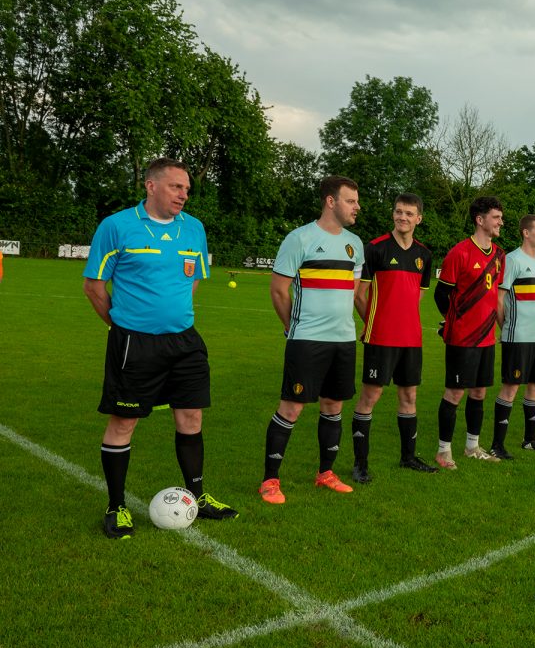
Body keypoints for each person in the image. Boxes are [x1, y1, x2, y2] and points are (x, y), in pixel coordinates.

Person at [83, 157, 238, 538]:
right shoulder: (117, 226)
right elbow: (94, 287)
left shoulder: (194, 229)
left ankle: (198, 497)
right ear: (151, 186)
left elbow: (193, 280)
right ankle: (116, 506)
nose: (184, 194)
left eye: (186, 188)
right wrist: (124, 325)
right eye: (176, 187)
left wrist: (171, 316)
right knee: (124, 422)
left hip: (185, 341)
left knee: (191, 419)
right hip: (134, 343)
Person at [259, 176, 365, 504]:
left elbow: (355, 292)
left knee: (334, 406)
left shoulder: (355, 244)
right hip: (307, 340)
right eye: (351, 201)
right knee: (291, 407)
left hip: (343, 340)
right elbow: (278, 290)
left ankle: (326, 473)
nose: (356, 207)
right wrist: (294, 327)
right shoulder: (299, 239)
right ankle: (270, 481)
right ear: (331, 202)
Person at [349, 193, 437, 481]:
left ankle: (408, 457)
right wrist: (375, 321)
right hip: (381, 337)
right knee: (370, 396)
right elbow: (359, 295)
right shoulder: (374, 249)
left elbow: (416, 299)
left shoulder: (424, 255)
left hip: (411, 339)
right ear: (393, 215)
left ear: (419, 219)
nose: (403, 217)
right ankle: (360, 464)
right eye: (399, 212)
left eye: (409, 213)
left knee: (409, 395)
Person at [433, 196, 506, 468]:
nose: (500, 222)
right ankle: (443, 451)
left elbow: (495, 297)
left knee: (479, 393)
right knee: (454, 393)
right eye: (496, 217)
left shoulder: (499, 256)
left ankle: (472, 446)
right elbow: (441, 295)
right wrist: (453, 321)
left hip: (487, 338)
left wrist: (500, 326)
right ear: (480, 219)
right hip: (462, 338)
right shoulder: (459, 252)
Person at [492, 214, 535, 458]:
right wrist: (505, 328)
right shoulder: (511, 260)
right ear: (526, 233)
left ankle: (530, 440)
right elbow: (499, 299)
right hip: (517, 336)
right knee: (511, 388)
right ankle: (497, 445)